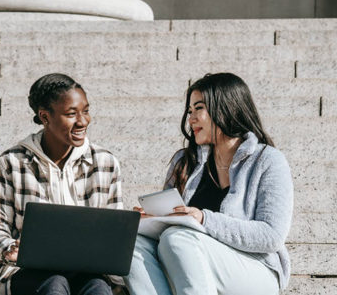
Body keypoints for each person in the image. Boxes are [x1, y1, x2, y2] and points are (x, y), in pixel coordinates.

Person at [125, 73, 294, 295]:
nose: (191, 118)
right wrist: (154, 218)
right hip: (187, 256)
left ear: (225, 108)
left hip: (255, 269)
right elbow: (170, 226)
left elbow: (271, 236)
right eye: (189, 111)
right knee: (131, 246)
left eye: (199, 109)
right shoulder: (184, 162)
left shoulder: (268, 160)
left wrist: (204, 218)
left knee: (177, 238)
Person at [0, 73, 123, 295]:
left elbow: (114, 229)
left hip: (87, 271)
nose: (83, 121)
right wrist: (10, 248)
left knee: (98, 289)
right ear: (45, 117)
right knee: (55, 284)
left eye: (85, 111)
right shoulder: (10, 164)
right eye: (71, 114)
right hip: (27, 271)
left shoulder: (105, 163)